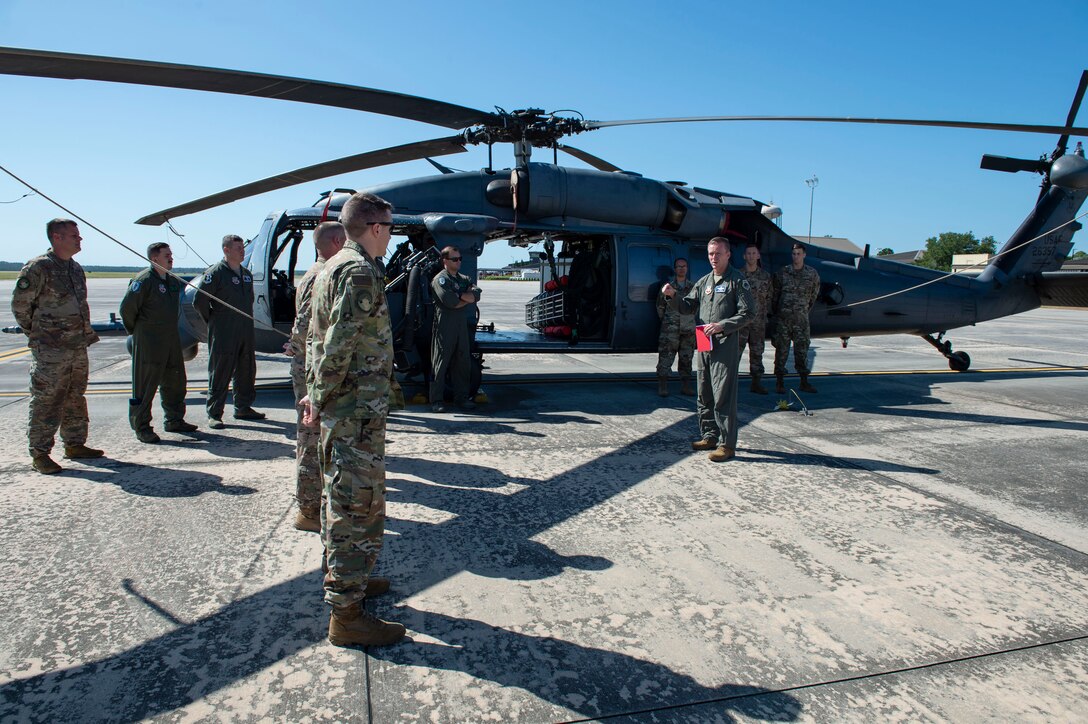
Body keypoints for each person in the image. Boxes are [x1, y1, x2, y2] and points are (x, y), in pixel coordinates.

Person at [300, 192, 404, 648]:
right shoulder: (360, 271)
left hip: (344, 408)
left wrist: (314, 394)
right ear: (376, 228)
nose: (390, 236)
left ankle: (348, 578)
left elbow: (313, 338)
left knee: (338, 496)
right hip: (352, 410)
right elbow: (340, 342)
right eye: (390, 227)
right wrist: (319, 398)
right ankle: (346, 612)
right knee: (355, 505)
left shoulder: (331, 266)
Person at [11, 219, 104, 474]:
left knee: (75, 397)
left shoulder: (75, 269)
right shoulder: (39, 268)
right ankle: (40, 453)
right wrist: (42, 335)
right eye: (74, 235)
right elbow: (20, 306)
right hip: (51, 350)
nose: (79, 239)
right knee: (47, 400)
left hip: (77, 346)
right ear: (57, 237)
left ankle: (75, 444)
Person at [662, 237, 753, 462]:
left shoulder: (737, 281)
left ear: (728, 254)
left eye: (718, 254)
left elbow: (748, 312)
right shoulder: (704, 282)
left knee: (723, 394)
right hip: (703, 342)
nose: (714, 258)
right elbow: (687, 307)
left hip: (724, 343)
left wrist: (723, 325)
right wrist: (672, 295)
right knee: (704, 391)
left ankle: (726, 444)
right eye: (711, 254)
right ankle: (709, 435)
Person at [285, 221, 345, 532]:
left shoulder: (314, 271)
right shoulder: (323, 274)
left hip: (308, 362)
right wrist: (298, 349)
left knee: (313, 436)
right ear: (337, 241)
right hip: (312, 366)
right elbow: (307, 323)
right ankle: (308, 509)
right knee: (311, 437)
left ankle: (314, 504)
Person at [119, 242, 196, 443]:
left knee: (175, 381)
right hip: (149, 340)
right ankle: (142, 427)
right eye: (167, 255)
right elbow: (127, 310)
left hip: (170, 339)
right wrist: (139, 333)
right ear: (155, 259)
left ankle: (174, 420)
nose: (171, 258)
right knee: (145, 386)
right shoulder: (144, 281)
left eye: (171, 254)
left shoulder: (171, 280)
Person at [194, 234, 265, 428]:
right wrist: (214, 321)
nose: (243, 251)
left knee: (246, 369)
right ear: (226, 250)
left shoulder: (246, 274)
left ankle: (243, 407)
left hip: (245, 329)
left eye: (243, 248)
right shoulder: (215, 273)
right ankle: (214, 413)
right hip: (224, 331)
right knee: (220, 371)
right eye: (238, 248)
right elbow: (199, 302)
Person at [429, 245, 481, 413]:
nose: (458, 262)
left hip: (461, 326)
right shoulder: (441, 280)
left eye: (460, 259)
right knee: (440, 363)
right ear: (445, 261)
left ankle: (461, 398)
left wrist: (461, 296)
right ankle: (437, 400)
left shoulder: (462, 278)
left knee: (462, 362)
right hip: (445, 325)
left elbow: (476, 293)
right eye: (454, 259)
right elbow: (450, 302)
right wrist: (465, 298)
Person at [772, 242, 821, 394]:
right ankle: (779, 382)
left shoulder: (812, 274)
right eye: (794, 254)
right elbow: (775, 295)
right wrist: (780, 312)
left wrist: (802, 311)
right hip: (784, 320)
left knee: (802, 351)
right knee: (781, 352)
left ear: (804, 255)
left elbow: (813, 296)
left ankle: (804, 382)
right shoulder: (783, 273)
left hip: (801, 320)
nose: (796, 256)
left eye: (799, 253)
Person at [655, 258, 695, 397]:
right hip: (670, 329)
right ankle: (663, 386)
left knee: (686, 358)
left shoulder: (694, 287)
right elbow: (660, 307)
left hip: (688, 330)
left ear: (687, 268)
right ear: (675, 269)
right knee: (666, 357)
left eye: (684, 266)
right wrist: (669, 321)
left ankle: (686, 386)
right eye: (678, 267)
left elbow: (698, 307)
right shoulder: (667, 287)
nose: (681, 269)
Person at [738, 243, 773, 394]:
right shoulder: (738, 275)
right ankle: (730, 383)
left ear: (758, 256)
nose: (751, 256)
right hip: (740, 323)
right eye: (748, 254)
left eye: (754, 253)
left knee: (757, 352)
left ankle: (756, 382)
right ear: (744, 256)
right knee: (735, 353)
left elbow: (769, 298)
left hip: (758, 322)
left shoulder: (765, 277)